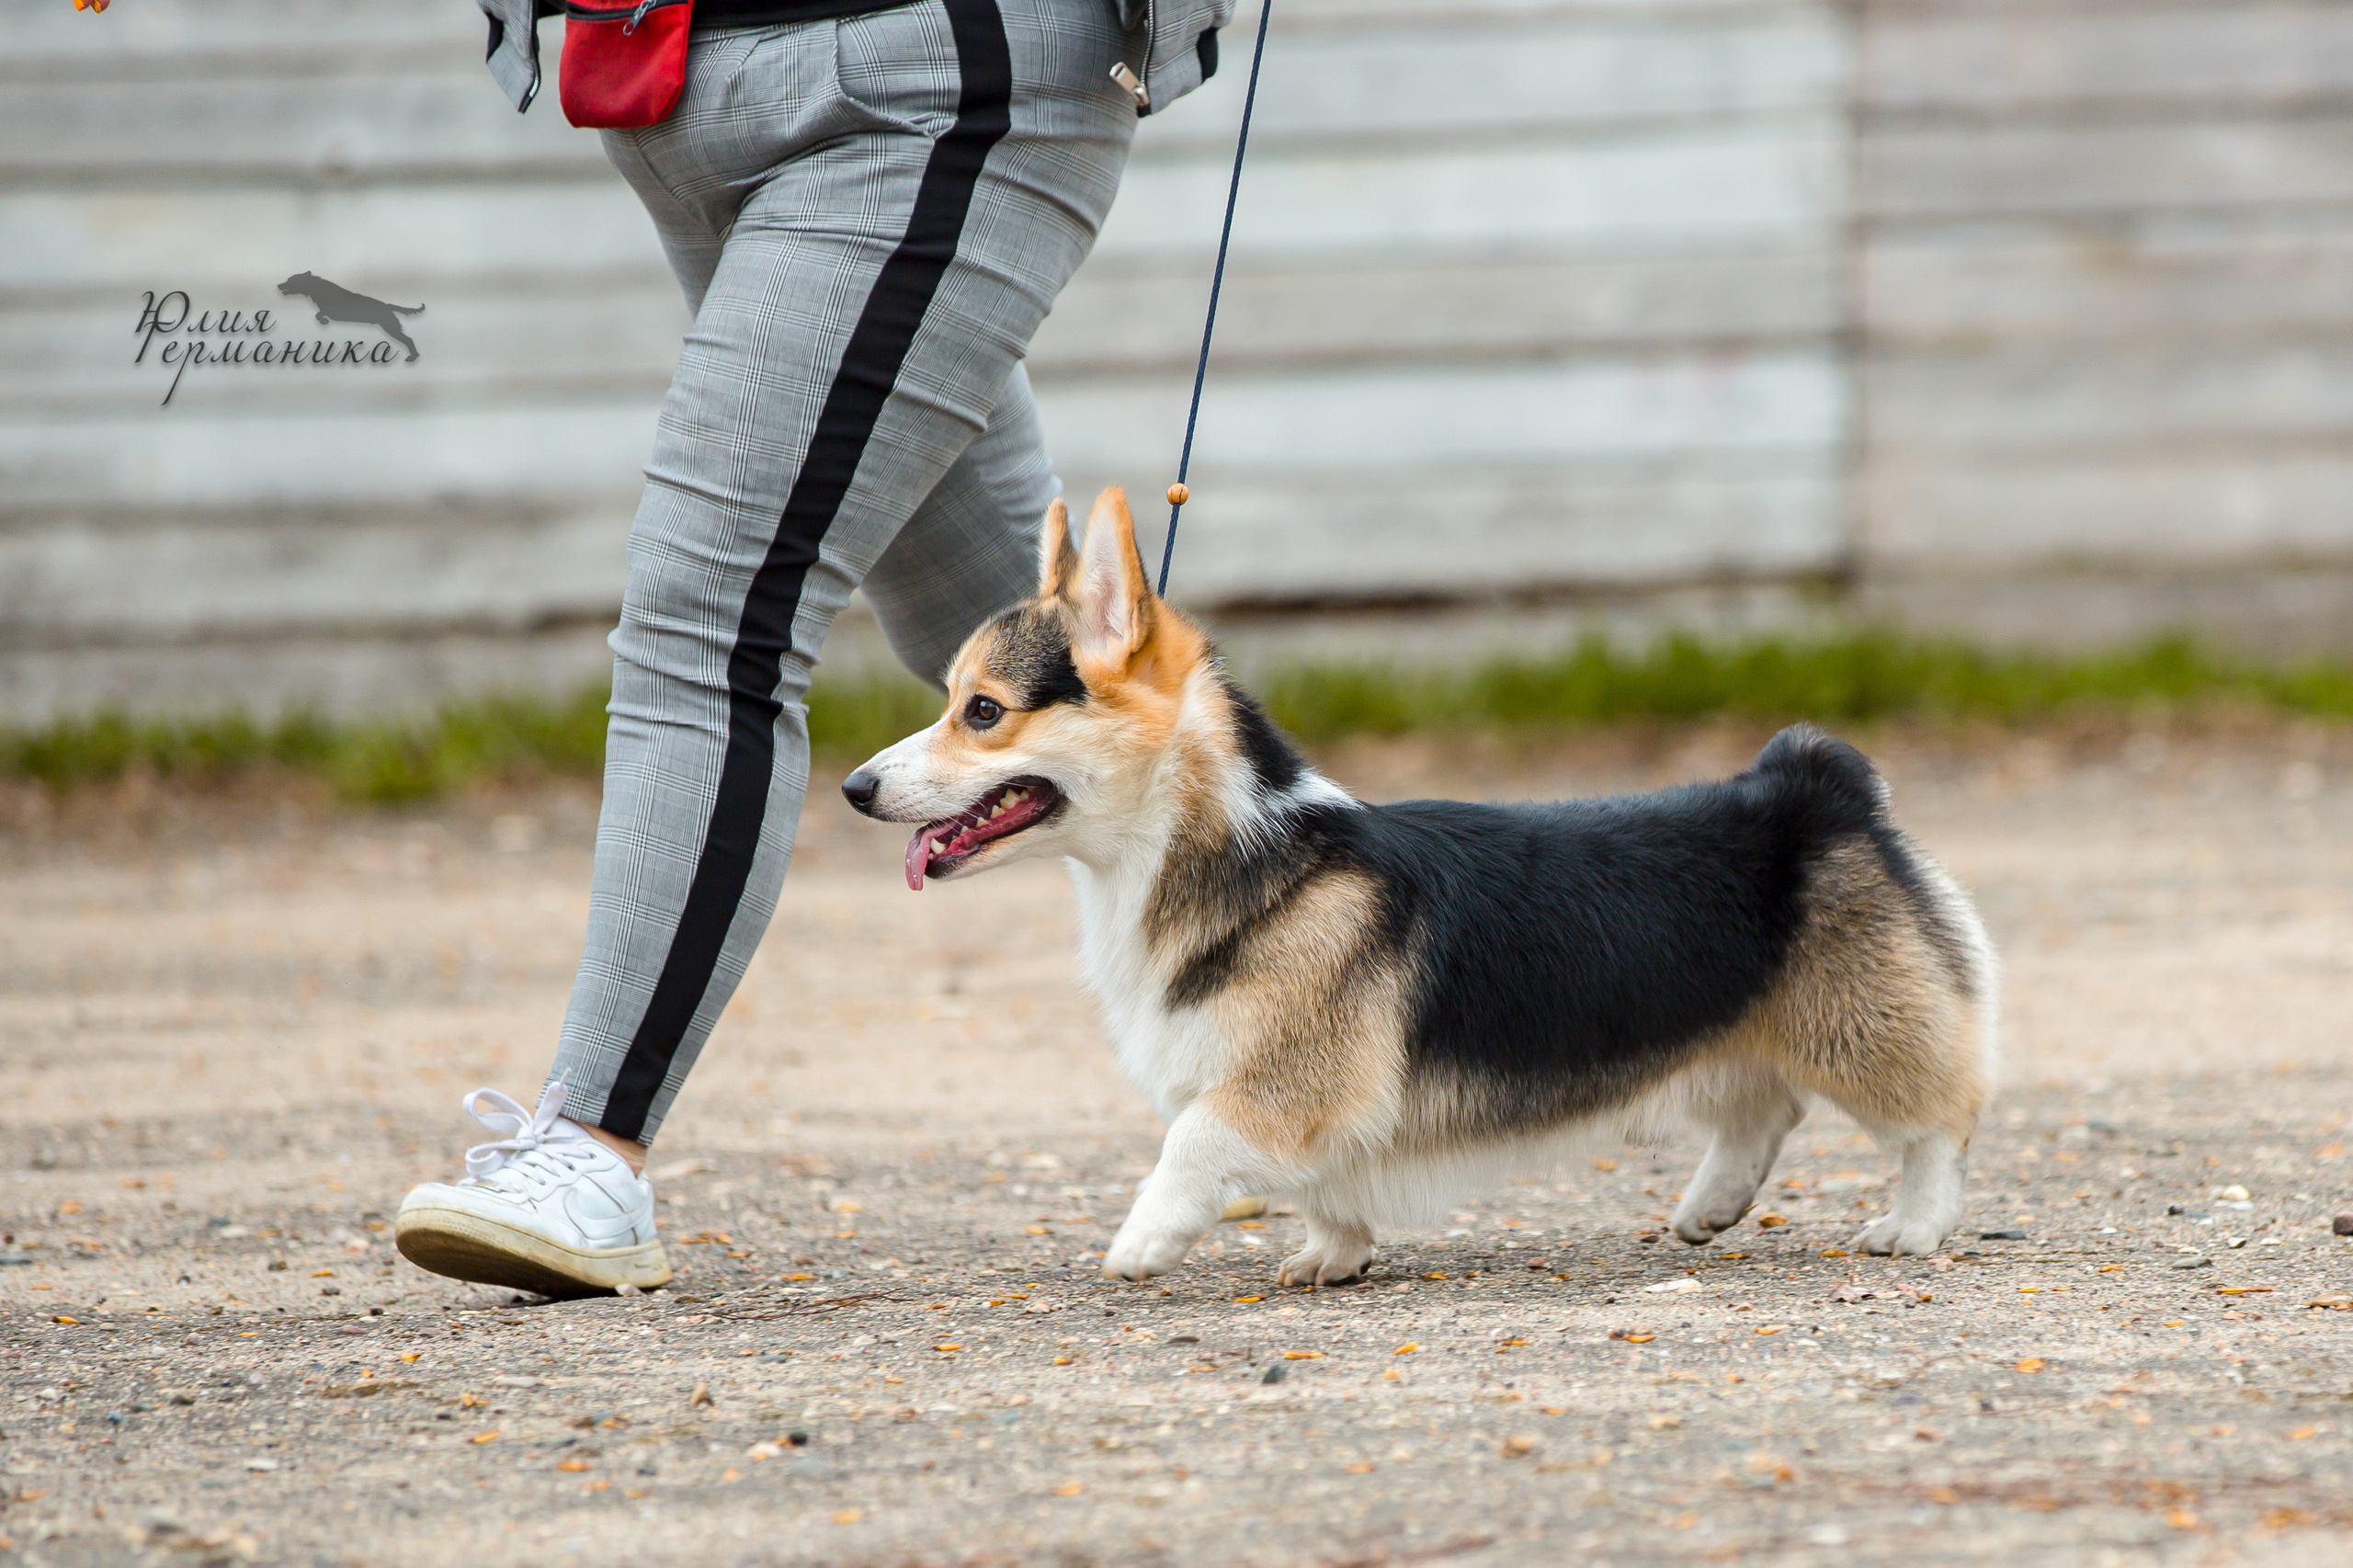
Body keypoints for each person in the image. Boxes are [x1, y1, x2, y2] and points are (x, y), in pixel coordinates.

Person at [394, 0, 1232, 1296]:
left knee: (711, 615)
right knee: (1030, 659)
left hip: (922, 83)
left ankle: (590, 1152)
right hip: (680, 86)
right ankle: (1356, 1047)